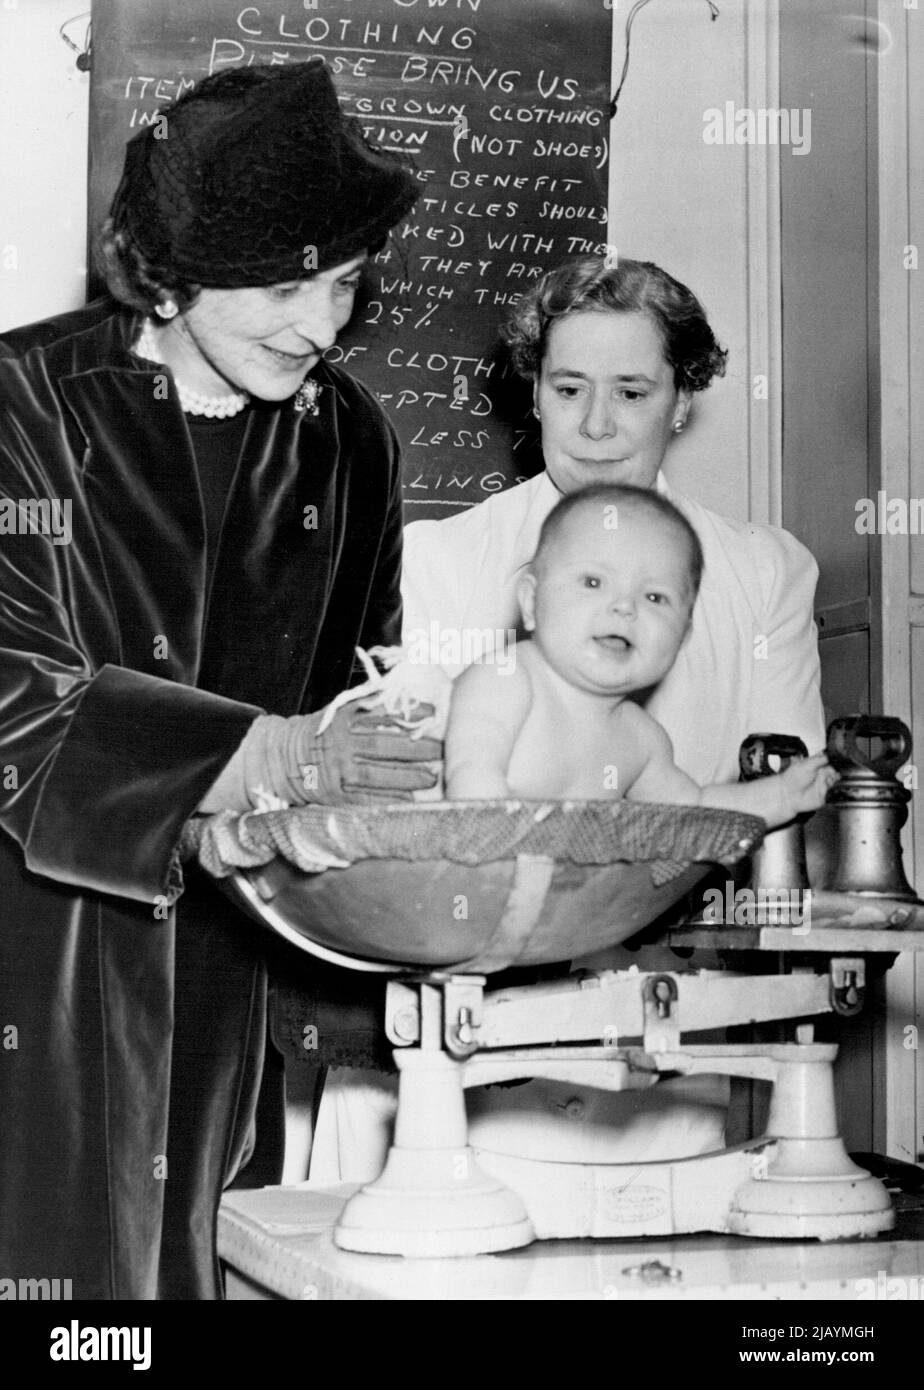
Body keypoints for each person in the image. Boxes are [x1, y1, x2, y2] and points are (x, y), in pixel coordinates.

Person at [0, 60, 440, 1299]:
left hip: (235, 952)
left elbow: (366, 672)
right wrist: (275, 753)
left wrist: (381, 757)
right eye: (287, 287)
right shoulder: (24, 400)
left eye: (345, 285)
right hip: (40, 951)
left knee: (199, 1265)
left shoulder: (349, 437)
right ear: (175, 273)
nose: (321, 326)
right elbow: (14, 688)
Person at [314, 256, 826, 1181]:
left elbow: (757, 813)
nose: (596, 425)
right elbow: (402, 792)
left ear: (680, 401)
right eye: (569, 388)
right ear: (535, 397)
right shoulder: (434, 559)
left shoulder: (761, 573)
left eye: (631, 391)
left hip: (657, 1044)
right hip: (447, 1035)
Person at [445, 482, 836, 821]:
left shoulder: (642, 739)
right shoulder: (506, 678)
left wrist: (780, 796)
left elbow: (690, 811)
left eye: (654, 596)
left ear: (683, 635)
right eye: (593, 581)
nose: (625, 607)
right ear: (531, 602)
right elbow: (472, 783)